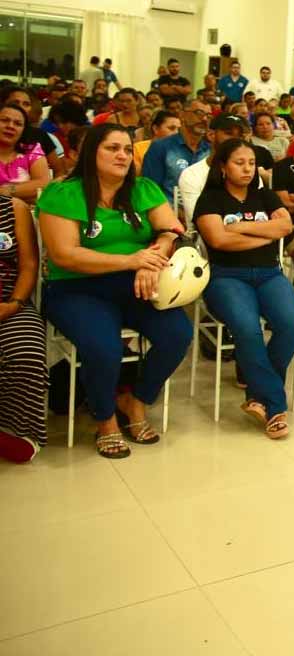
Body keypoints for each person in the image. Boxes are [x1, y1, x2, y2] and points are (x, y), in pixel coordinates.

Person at [38, 124, 192, 459]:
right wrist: (131, 260)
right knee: (104, 348)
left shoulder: (143, 189)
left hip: (137, 283)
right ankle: (105, 419)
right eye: (112, 148)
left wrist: (153, 257)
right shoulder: (62, 193)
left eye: (127, 149)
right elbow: (65, 255)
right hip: (76, 286)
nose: (122, 155)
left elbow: (172, 230)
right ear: (91, 152)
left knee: (178, 334)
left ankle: (135, 401)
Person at [193, 138, 294, 439]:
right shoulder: (210, 199)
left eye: (251, 163)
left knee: (291, 324)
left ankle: (257, 394)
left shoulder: (264, 196)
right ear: (223, 167)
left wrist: (239, 227)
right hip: (226, 277)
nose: (247, 169)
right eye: (239, 163)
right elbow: (218, 240)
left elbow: (286, 227)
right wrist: (266, 235)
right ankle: (274, 405)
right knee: (248, 328)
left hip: (269, 274)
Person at [0, 193, 47, 463]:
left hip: (9, 300)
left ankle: (14, 430)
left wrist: (15, 303)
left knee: (26, 351)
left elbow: (29, 265)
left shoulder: (13, 208)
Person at [177, 113, 248, 221]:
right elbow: (200, 220)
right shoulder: (192, 174)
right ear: (211, 135)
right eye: (229, 133)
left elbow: (262, 214)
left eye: (240, 136)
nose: (236, 140)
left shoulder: (248, 172)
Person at [142, 98, 211, 204]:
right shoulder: (161, 147)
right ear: (182, 115)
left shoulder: (210, 151)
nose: (205, 119)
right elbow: (150, 190)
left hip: (204, 211)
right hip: (168, 210)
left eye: (209, 116)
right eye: (199, 113)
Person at [0, 86, 65, 176]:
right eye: (15, 102)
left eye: (26, 104)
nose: (21, 107)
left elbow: (59, 171)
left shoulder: (40, 135)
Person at [0, 105, 49, 204]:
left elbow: (43, 184)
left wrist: (8, 191)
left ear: (24, 130)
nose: (10, 126)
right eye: (4, 120)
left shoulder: (32, 150)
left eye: (18, 124)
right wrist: (26, 192)